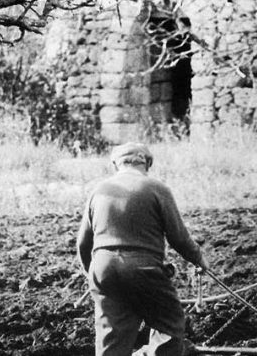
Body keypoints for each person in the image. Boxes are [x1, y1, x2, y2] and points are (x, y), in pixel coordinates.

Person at [77, 142, 209, 356]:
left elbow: (83, 243)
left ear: (115, 164)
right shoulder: (156, 188)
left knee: (112, 337)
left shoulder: (99, 190)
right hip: (143, 268)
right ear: (147, 163)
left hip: (103, 269)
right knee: (170, 324)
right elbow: (179, 237)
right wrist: (199, 259)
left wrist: (91, 275)